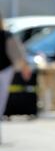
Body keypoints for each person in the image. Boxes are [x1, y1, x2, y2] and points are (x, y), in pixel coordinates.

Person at [0, 12, 32, 142]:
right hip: (5, 70)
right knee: (1, 101)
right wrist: (23, 67)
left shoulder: (7, 35)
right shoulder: (7, 35)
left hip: (5, 70)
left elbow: (18, 53)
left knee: (1, 101)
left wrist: (24, 67)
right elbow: (19, 54)